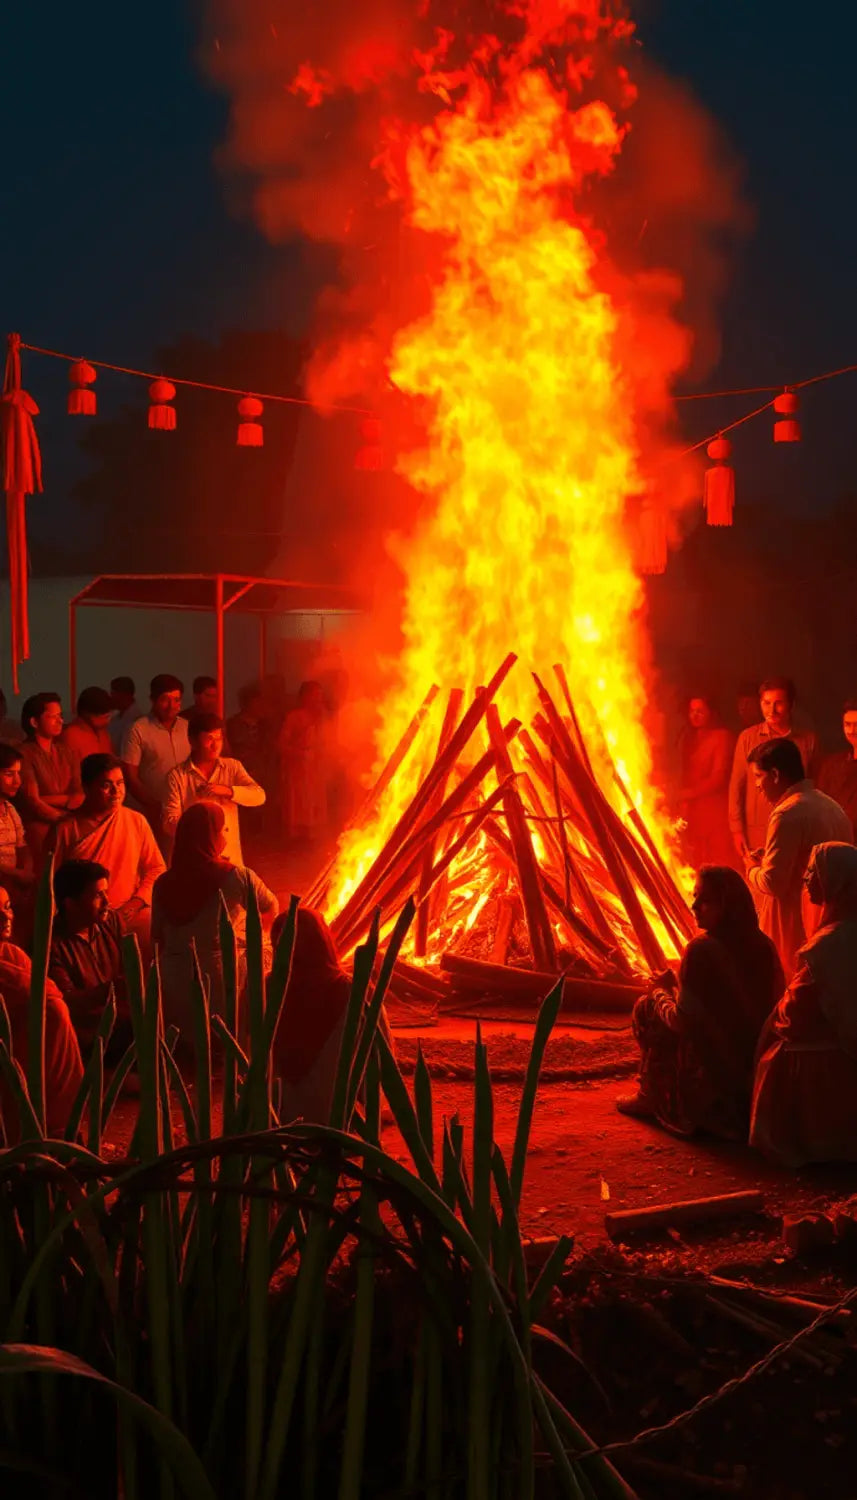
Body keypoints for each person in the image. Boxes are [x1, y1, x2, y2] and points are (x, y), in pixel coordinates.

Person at [616, 866, 784, 1138]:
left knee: (647, 1008)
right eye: (694, 896)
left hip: (715, 1074)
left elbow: (681, 1022)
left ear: (727, 904)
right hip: (752, 1065)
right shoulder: (764, 945)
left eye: (705, 900)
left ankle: (654, 1096)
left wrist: (661, 992)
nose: (694, 905)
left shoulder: (701, 951)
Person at [751, 842, 857, 1166]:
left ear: (834, 881)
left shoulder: (829, 946)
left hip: (832, 1060)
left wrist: (780, 1008)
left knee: (776, 1048)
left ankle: (799, 1135)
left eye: (814, 872)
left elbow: (799, 1015)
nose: (807, 878)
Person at [151, 802, 278, 1044]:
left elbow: (157, 937)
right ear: (210, 836)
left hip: (173, 987)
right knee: (270, 954)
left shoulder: (163, 882)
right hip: (219, 985)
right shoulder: (236, 875)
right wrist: (255, 936)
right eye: (223, 830)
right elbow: (271, 907)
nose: (225, 837)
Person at [745, 737, 852, 977]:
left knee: (790, 992)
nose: (756, 786)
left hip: (794, 928)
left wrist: (752, 869)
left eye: (758, 776)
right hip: (835, 927)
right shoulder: (831, 807)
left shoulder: (787, 813)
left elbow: (774, 882)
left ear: (774, 774)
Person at [51, 754, 165, 949]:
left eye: (120, 783)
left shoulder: (136, 821)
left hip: (130, 915)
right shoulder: (66, 828)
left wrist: (135, 903)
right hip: (83, 923)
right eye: (106, 785)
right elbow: (49, 882)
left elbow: (156, 869)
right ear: (87, 788)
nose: (116, 792)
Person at [0, 884, 84, 1141]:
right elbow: (37, 994)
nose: (7, 918)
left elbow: (45, 989)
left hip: (39, 1058)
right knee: (52, 1012)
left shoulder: (11, 954)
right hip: (12, 1062)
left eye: (7, 907)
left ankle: (61, 1126)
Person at [271, 906, 352, 1123]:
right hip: (335, 1119)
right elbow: (380, 1061)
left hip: (273, 1116)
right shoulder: (353, 991)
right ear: (324, 944)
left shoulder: (260, 989)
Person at [728, 677, 819, 862]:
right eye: (766, 703)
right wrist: (736, 829)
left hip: (796, 828)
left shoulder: (808, 741)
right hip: (758, 832)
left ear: (791, 704)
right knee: (759, 884)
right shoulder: (748, 738)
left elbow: (816, 787)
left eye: (778, 703)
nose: (771, 710)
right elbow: (736, 786)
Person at [161, 712, 265, 864]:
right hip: (196, 858)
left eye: (219, 738)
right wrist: (199, 830)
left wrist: (229, 791)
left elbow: (259, 796)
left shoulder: (232, 767)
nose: (215, 745)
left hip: (229, 857)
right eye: (209, 739)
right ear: (192, 741)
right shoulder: (177, 776)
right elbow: (169, 822)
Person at [50, 859, 127, 1052]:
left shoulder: (112, 921)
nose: (107, 902)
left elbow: (130, 967)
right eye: (98, 895)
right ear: (70, 904)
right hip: (87, 1039)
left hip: (123, 1024)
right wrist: (108, 990)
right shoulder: (50, 944)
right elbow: (65, 1002)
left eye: (106, 893)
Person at [17, 692, 83, 863]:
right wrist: (64, 812)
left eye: (60, 716)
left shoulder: (67, 752)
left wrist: (55, 799)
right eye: (52, 717)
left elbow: (79, 794)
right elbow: (32, 801)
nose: (60, 721)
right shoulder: (24, 754)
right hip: (38, 828)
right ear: (34, 722)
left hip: (68, 823)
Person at [121, 674, 191, 825]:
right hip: (149, 813)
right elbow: (130, 777)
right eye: (165, 699)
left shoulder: (187, 728)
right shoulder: (138, 729)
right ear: (153, 700)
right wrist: (153, 806)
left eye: (176, 700)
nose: (172, 706)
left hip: (183, 811)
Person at [676, 694, 735, 868]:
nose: (695, 715)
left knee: (717, 863)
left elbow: (719, 778)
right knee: (697, 863)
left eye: (700, 711)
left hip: (715, 813)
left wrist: (687, 793)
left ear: (711, 712)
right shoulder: (689, 739)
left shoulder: (722, 738)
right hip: (695, 815)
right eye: (692, 711)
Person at [279, 680, 330, 841]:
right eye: (314, 695)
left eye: (320, 695)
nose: (317, 699)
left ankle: (314, 839)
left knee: (316, 803)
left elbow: (328, 741)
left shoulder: (323, 716)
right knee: (300, 804)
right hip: (298, 769)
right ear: (304, 697)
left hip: (316, 768)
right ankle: (297, 841)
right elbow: (281, 744)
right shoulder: (294, 717)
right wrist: (300, 754)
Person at [817, 699, 857, 832]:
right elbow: (820, 806)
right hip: (836, 841)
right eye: (847, 724)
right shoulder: (832, 765)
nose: (852, 730)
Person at [0, 744, 33, 898]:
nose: (17, 782)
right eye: (9, 774)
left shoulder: (10, 808)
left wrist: (26, 869)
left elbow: (22, 845)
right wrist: (16, 874)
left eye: (18, 773)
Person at [61, 685, 115, 761]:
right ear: (87, 714)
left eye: (109, 716)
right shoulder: (71, 736)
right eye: (104, 717)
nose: (107, 721)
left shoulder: (103, 733)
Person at [109, 676, 138, 754]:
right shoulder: (114, 719)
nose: (111, 697)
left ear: (124, 695)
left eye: (113, 693)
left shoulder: (137, 720)